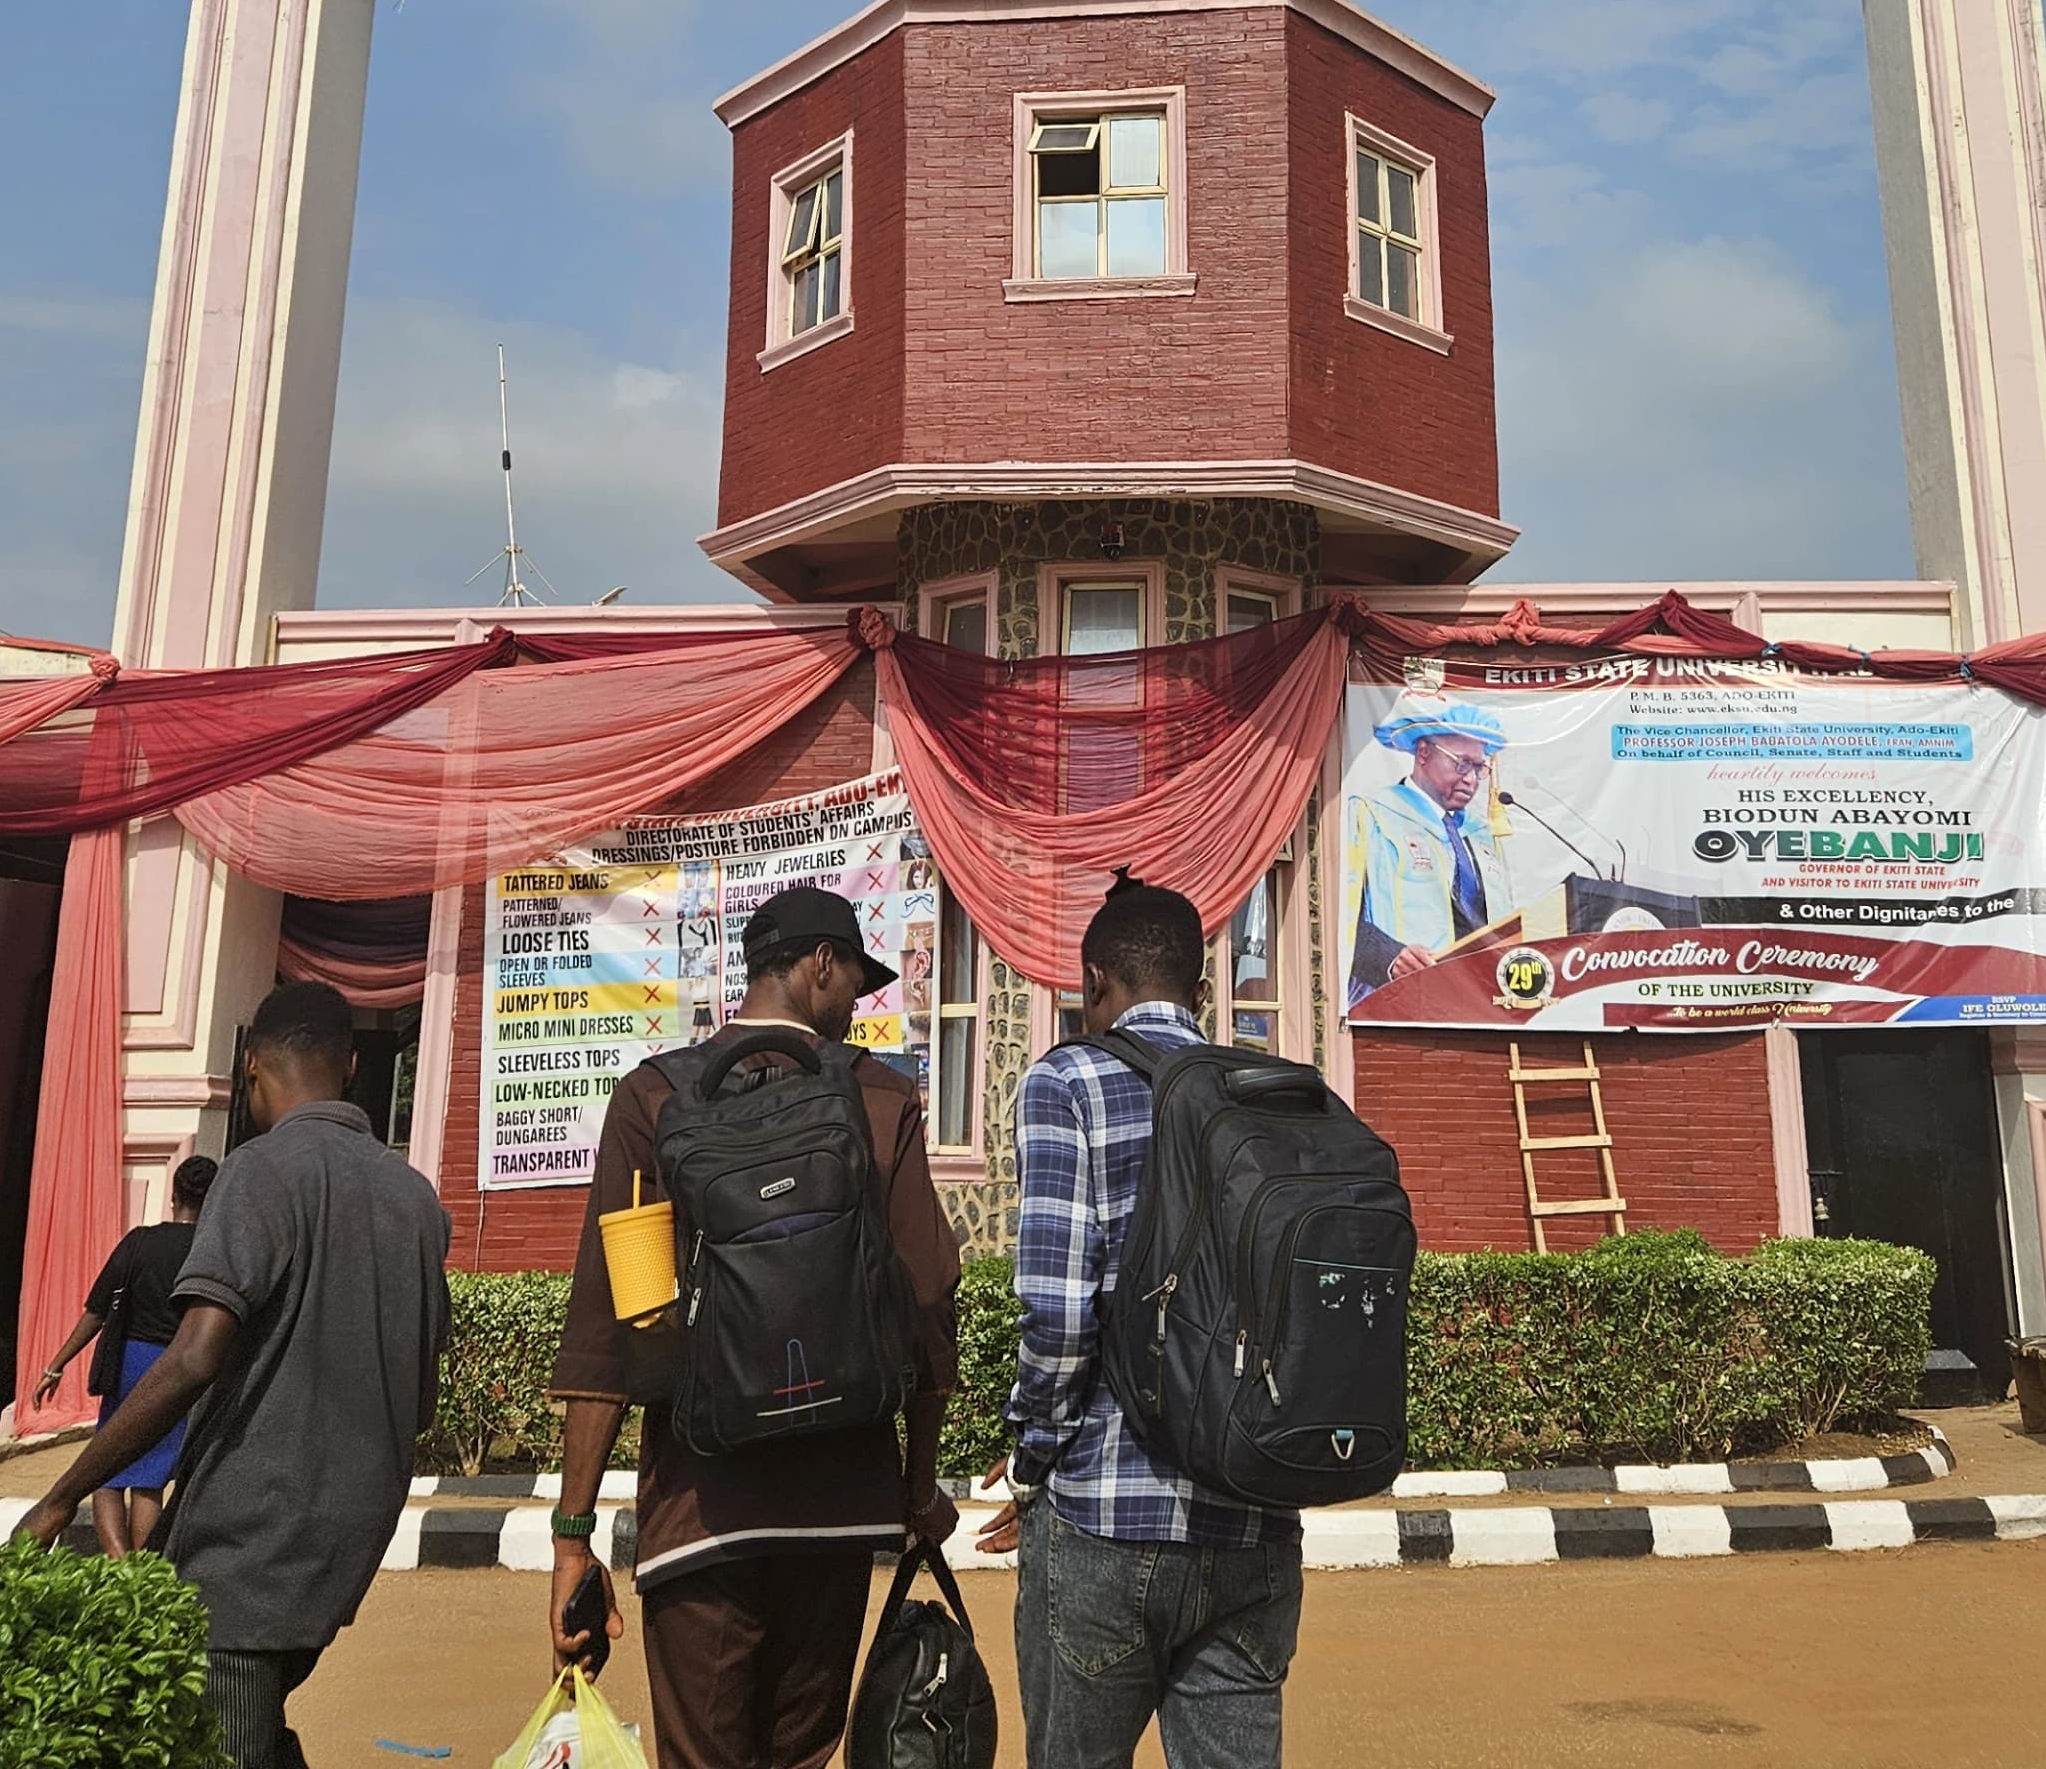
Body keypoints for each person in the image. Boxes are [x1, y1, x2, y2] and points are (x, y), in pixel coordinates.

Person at [537, 882, 960, 1769]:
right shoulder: (879, 1100)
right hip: (839, 1508)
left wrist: (573, 1536)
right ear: (818, 966)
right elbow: (926, 1302)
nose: (857, 1002)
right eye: (854, 981)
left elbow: (612, 1330)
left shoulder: (654, 1099)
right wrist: (917, 1487)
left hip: (701, 1512)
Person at [17, 981, 452, 1769]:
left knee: (221, 1740)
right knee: (243, 1730)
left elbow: (194, 1356)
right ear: (350, 1065)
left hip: (251, 1542)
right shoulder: (417, 1200)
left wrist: (62, 1494)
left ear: (251, 1068)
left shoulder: (259, 1171)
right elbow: (420, 1403)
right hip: (349, 1536)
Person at [984, 874, 1305, 1769]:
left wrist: (1031, 1459)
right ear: (1201, 995)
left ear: (1093, 986)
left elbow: (1056, 1307)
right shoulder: (1269, 1091)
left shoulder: (1068, 1080)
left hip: (1107, 1517)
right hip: (1254, 1517)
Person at [27, 1150, 219, 1555]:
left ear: (174, 1194)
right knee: (151, 1475)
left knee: (108, 1466)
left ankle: (118, 1564)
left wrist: (55, 1366)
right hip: (179, 1366)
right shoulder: (212, 1250)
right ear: (214, 1198)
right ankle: (144, 1570)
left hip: (128, 1363)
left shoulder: (139, 1243)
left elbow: (96, 1312)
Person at [1346, 696, 1525, 1002]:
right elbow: (1340, 911)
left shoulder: (1480, 833)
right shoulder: (1372, 814)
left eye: (1479, 768)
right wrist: (1389, 956)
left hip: (1484, 999)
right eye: (1462, 763)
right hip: (1399, 998)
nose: (1470, 779)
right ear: (1424, 753)